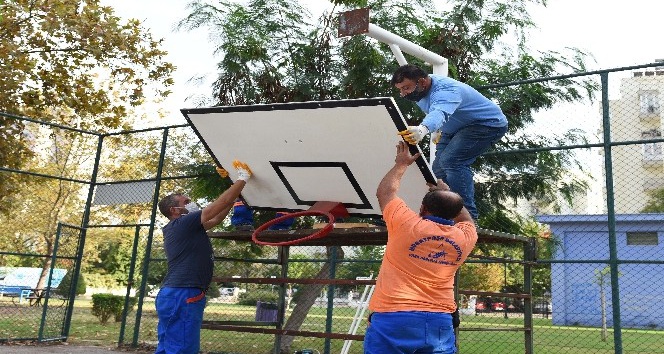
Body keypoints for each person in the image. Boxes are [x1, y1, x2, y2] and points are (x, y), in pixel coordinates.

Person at [364, 141, 478, 354]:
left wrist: (401, 164)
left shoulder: (407, 225)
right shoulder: (465, 237)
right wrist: (447, 193)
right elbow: (467, 219)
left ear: (422, 208)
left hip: (394, 316)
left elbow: (385, 193)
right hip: (439, 321)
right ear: (455, 214)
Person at [154, 160, 253, 354]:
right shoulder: (183, 224)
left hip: (174, 294)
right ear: (174, 211)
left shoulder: (184, 228)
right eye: (186, 202)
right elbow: (216, 207)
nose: (191, 203)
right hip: (184, 293)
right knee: (183, 348)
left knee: (168, 346)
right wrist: (242, 179)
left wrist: (234, 190)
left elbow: (217, 217)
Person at [393, 64, 508, 220]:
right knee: (438, 171)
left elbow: (440, 110)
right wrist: (437, 129)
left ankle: (469, 218)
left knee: (452, 161)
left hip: (486, 124)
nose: (403, 93)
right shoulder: (419, 92)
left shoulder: (446, 90)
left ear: (422, 82)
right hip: (453, 127)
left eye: (406, 88)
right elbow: (436, 111)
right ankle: (445, 215)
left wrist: (424, 129)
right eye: (400, 89)